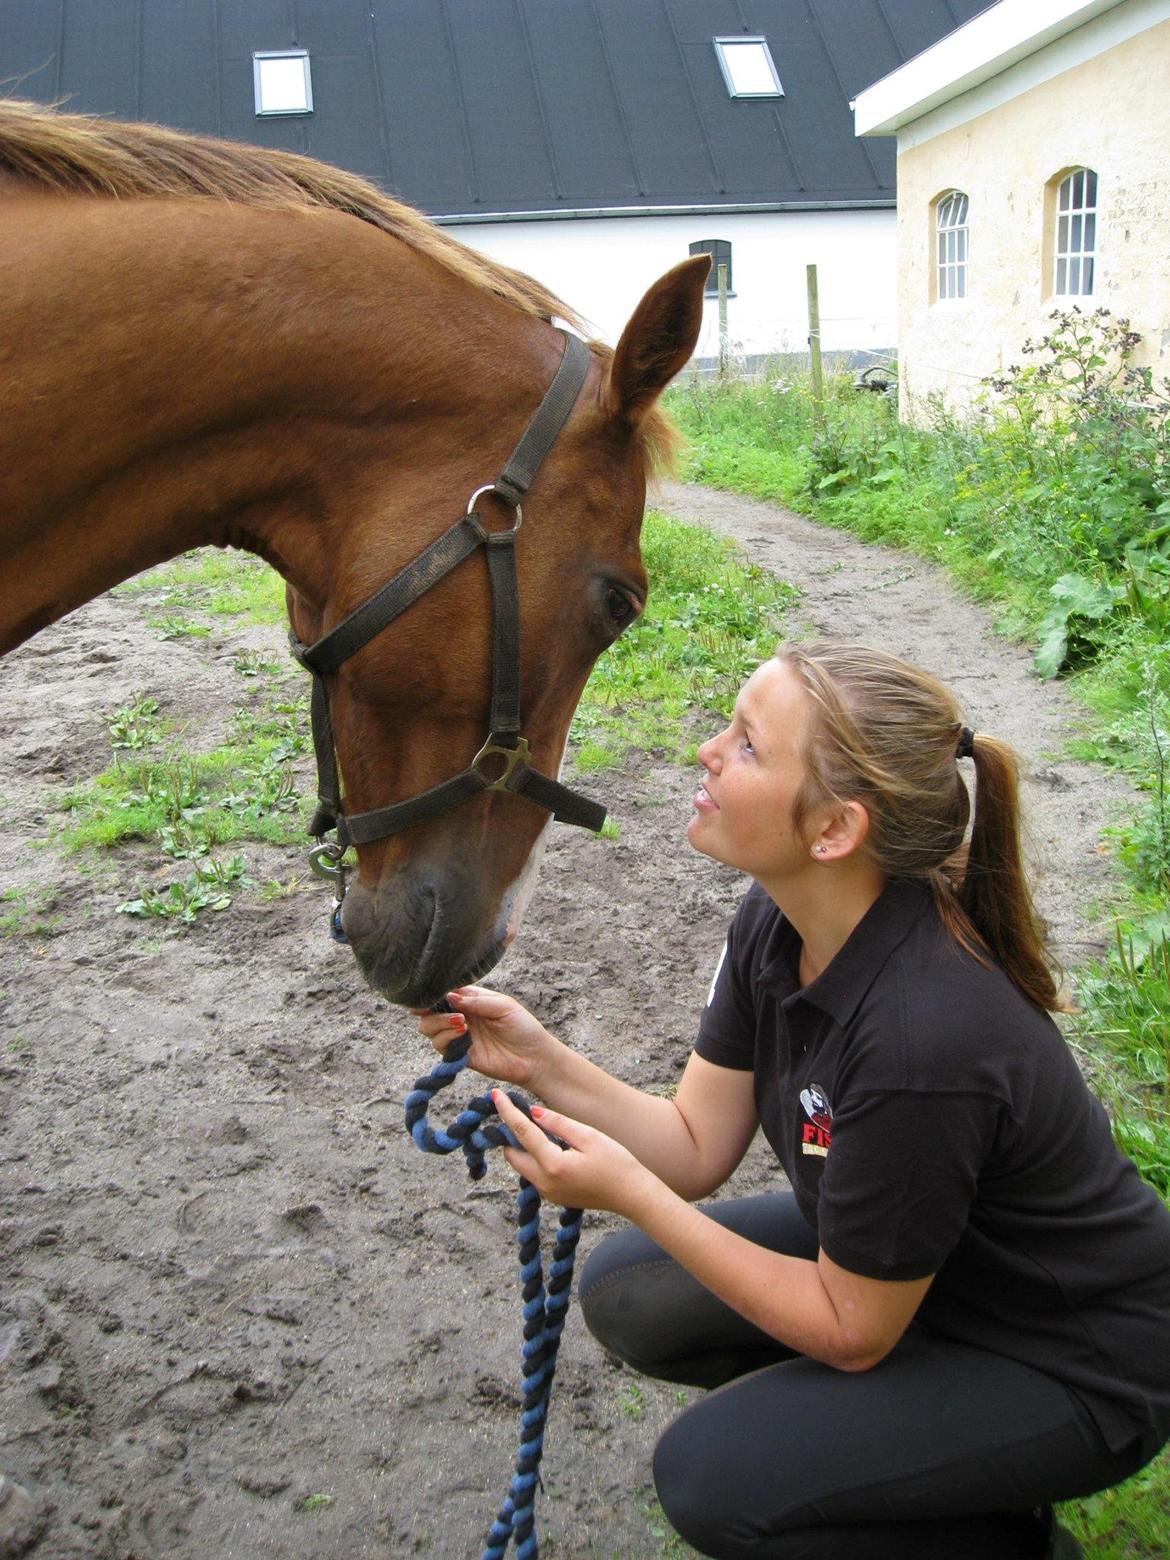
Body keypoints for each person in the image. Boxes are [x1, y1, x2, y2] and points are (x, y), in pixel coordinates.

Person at [416, 641, 1170, 1560]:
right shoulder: (781, 918)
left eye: (747, 746)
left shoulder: (920, 1039)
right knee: (635, 1291)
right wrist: (537, 1060)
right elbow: (696, 1143)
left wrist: (626, 1190)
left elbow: (849, 1332)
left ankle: (999, 1534)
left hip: (1071, 1359)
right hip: (927, 1283)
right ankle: (940, 1479)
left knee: (715, 1480)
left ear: (834, 831)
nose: (707, 750)